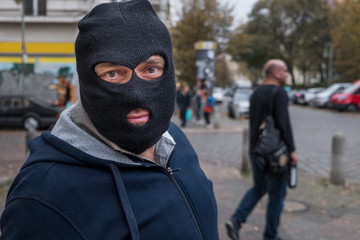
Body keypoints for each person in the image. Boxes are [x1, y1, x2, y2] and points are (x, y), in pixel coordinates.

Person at [0, 1, 219, 239]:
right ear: (86, 80)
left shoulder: (175, 140)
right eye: (113, 73)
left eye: (151, 69)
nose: (136, 93)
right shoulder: (41, 197)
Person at [225, 59, 299, 240]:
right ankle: (271, 235)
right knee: (276, 195)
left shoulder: (255, 93)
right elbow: (283, 124)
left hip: (255, 150)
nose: (287, 73)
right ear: (275, 73)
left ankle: (236, 220)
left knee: (258, 188)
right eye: (284, 70)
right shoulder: (279, 92)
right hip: (275, 154)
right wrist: (292, 149)